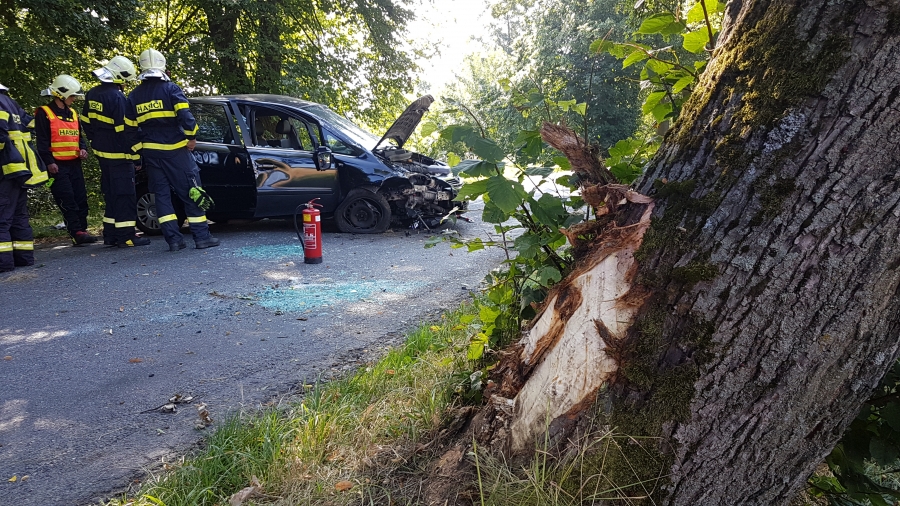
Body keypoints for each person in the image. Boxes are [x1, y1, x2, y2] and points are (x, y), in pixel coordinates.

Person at [126, 48, 219, 251]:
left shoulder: (134, 96)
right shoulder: (170, 89)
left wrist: (138, 155)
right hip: (176, 151)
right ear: (163, 67)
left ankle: (174, 241)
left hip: (152, 154)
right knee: (192, 191)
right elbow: (185, 116)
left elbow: (130, 130)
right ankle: (202, 237)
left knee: (161, 197)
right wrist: (191, 137)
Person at [83, 56, 150, 248]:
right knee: (125, 196)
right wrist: (136, 156)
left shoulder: (92, 93)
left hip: (103, 155)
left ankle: (110, 234)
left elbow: (86, 122)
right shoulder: (117, 98)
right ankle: (126, 236)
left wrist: (96, 141)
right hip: (121, 156)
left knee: (112, 195)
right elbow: (125, 131)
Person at [35, 74, 96, 245]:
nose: (74, 99)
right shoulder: (44, 113)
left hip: (74, 163)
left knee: (80, 198)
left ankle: (83, 229)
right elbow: (42, 141)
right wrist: (49, 162)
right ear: (61, 94)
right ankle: (76, 232)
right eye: (72, 96)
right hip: (57, 166)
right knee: (67, 199)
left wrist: (83, 149)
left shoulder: (73, 113)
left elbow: (79, 137)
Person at [0, 83, 47, 272]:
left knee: (2, 218)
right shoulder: (10, 102)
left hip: (5, 168)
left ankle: (3, 263)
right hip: (21, 167)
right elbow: (30, 124)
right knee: (19, 216)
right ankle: (24, 257)